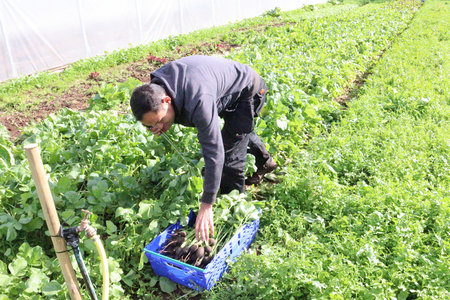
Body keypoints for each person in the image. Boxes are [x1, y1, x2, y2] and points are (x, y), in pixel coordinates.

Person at [130, 55, 277, 241]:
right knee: (238, 133)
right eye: (149, 126)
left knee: (230, 157)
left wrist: (207, 204)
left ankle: (236, 216)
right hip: (222, 91)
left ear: (166, 100)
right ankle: (265, 162)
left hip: (248, 91)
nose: (156, 128)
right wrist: (157, 123)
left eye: (158, 122)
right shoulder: (156, 88)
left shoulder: (198, 100)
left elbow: (214, 152)